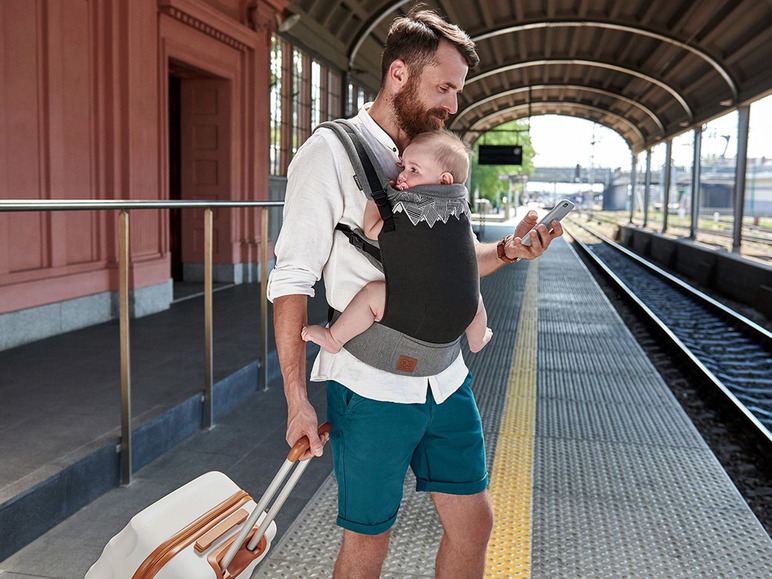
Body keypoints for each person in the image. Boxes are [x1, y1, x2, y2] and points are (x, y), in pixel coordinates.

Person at [266, 6, 563, 578]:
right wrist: (296, 399)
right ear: (399, 74)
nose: (452, 104)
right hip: (372, 387)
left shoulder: (437, 155)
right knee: (369, 542)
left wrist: (507, 251)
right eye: (444, 87)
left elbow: (455, 261)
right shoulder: (328, 154)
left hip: (445, 380)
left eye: (457, 91)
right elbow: (291, 280)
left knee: (475, 525)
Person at [300, 129, 493, 356]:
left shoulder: (411, 210)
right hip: (460, 309)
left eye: (414, 170)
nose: (402, 175)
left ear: (444, 180)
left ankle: (334, 337)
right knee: (474, 296)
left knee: (373, 295)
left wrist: (377, 197)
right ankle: (478, 339)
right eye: (403, 167)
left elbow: (372, 231)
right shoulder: (461, 211)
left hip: (418, 310)